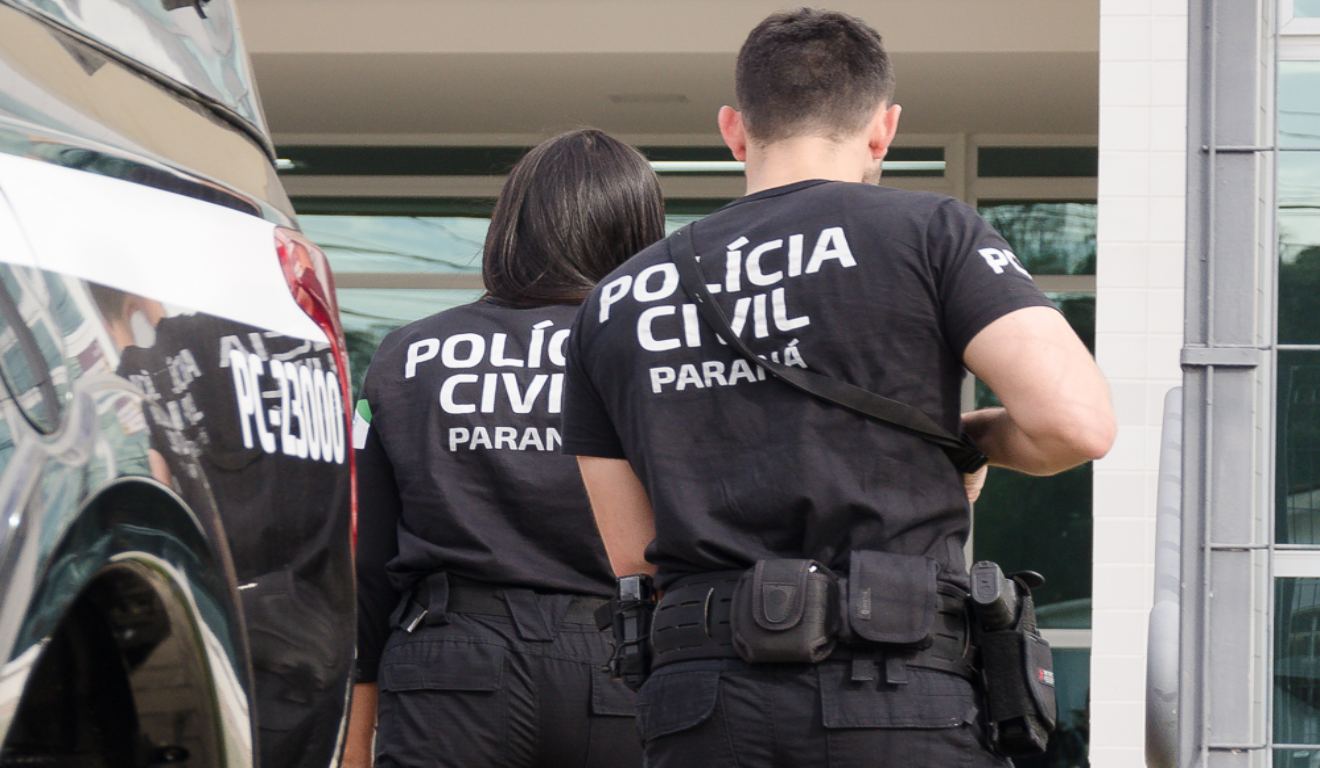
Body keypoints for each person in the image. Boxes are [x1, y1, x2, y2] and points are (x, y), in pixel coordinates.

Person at [561, 8, 1116, 768]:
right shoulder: (931, 234)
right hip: (894, 688)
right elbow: (1075, 425)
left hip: (701, 703)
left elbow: (633, 555)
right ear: (883, 130)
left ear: (734, 130)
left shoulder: (617, 298)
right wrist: (969, 442)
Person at [346, 129, 665, 768]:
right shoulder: (651, 350)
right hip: (620, 658)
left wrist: (354, 741)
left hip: (448, 660)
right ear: (635, 229)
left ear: (511, 226)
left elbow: (370, 560)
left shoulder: (410, 353)